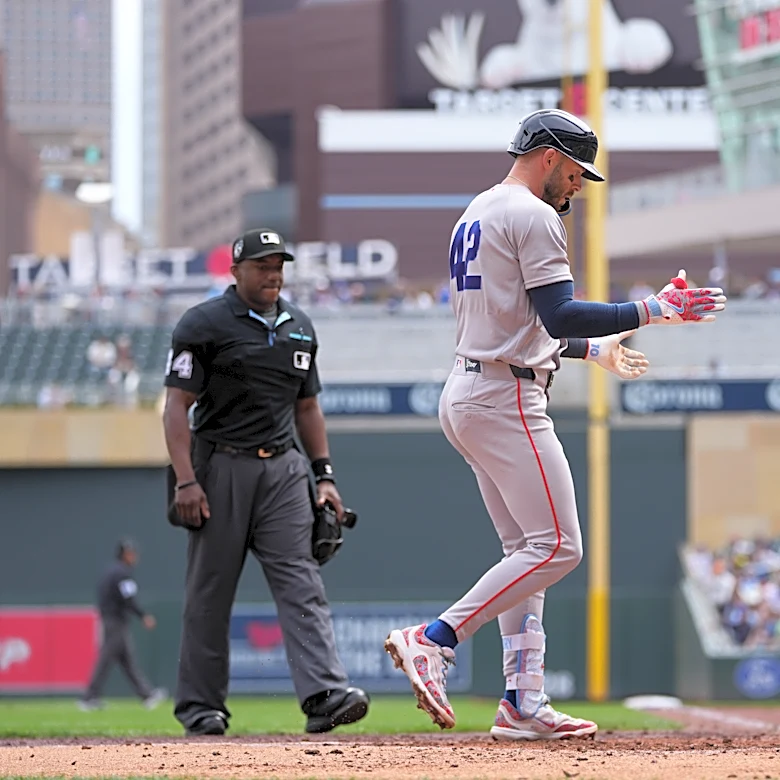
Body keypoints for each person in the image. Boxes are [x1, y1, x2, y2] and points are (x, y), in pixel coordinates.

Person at [384, 109, 727, 741]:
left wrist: (597, 351)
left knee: (528, 552)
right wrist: (653, 309)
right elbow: (560, 313)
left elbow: (521, 321)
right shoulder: (533, 213)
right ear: (547, 155)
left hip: (470, 389)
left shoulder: (479, 209)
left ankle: (522, 702)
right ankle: (434, 638)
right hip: (505, 398)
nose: (578, 186)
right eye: (574, 171)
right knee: (558, 547)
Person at [162, 227, 369, 737]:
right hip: (220, 466)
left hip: (282, 470)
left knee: (302, 582)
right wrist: (186, 482)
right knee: (210, 593)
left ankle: (324, 695)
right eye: (261, 265)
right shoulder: (203, 323)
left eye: (278, 264)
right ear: (236, 272)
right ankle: (201, 707)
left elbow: (308, 407)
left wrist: (324, 477)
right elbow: (176, 407)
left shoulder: (299, 325)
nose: (273, 273)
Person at [78, 540, 166, 711]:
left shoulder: (111, 571)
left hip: (111, 619)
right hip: (115, 621)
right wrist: (143, 616)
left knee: (127, 661)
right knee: (106, 659)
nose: (135, 557)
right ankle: (89, 697)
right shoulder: (121, 573)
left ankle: (146, 695)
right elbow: (129, 598)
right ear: (125, 554)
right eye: (132, 553)